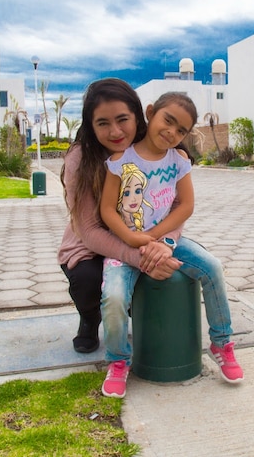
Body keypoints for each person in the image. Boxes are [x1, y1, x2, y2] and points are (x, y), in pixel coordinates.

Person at [97, 91, 243, 399]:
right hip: (127, 246)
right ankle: (118, 361)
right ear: (150, 112)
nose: (172, 132)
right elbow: (108, 209)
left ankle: (222, 342)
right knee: (113, 298)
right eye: (168, 121)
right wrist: (133, 239)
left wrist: (158, 238)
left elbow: (186, 205)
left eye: (181, 130)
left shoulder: (178, 161)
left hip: (167, 241)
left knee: (212, 268)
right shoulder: (121, 160)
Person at [58, 78, 180, 355]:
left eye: (122, 119)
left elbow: (177, 205)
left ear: (138, 116)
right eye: (103, 123)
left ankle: (145, 316)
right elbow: (88, 228)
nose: (115, 131)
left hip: (144, 234)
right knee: (88, 280)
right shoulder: (81, 158)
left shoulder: (155, 149)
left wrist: (165, 245)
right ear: (90, 125)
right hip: (90, 245)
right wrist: (142, 259)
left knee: (173, 266)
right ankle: (89, 320)